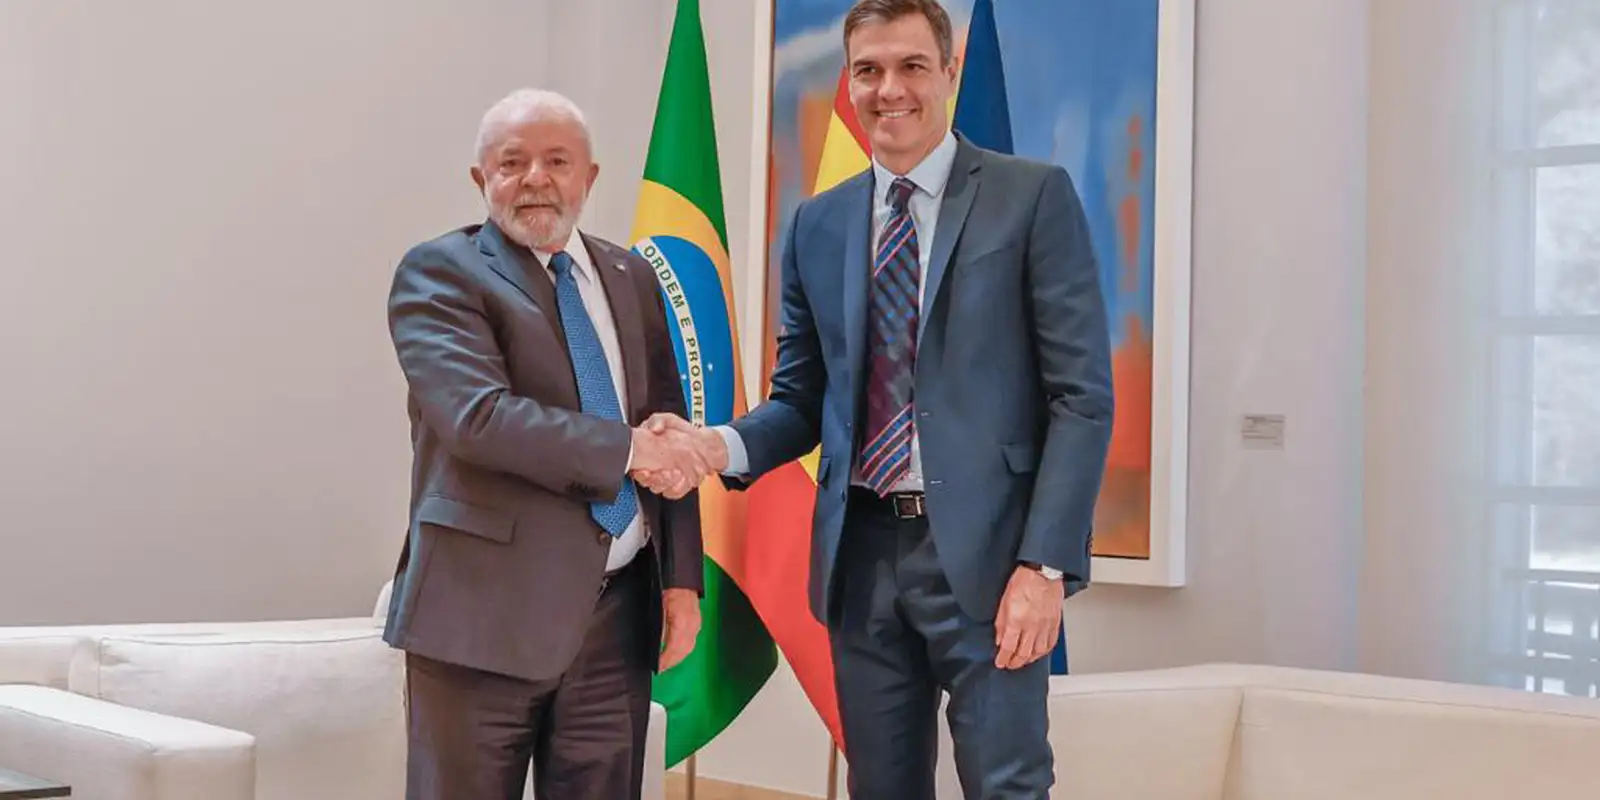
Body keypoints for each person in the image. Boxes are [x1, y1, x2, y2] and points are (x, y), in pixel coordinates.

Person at [651, 0, 1114, 796]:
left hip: (994, 559)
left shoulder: (1030, 198)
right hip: (861, 560)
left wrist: (1044, 566)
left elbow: (1082, 399)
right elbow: (801, 400)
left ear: (949, 73)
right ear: (849, 79)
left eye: (910, 66)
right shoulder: (818, 224)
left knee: (1007, 785)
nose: (888, 89)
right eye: (868, 70)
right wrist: (713, 446)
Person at [382, 88, 710, 800]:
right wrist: (629, 450)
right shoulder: (440, 274)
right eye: (513, 163)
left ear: (589, 176)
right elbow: (478, 418)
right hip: (480, 624)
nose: (536, 179)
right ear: (482, 178)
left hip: (616, 623)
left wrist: (681, 577)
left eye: (557, 161)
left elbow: (668, 426)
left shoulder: (631, 275)